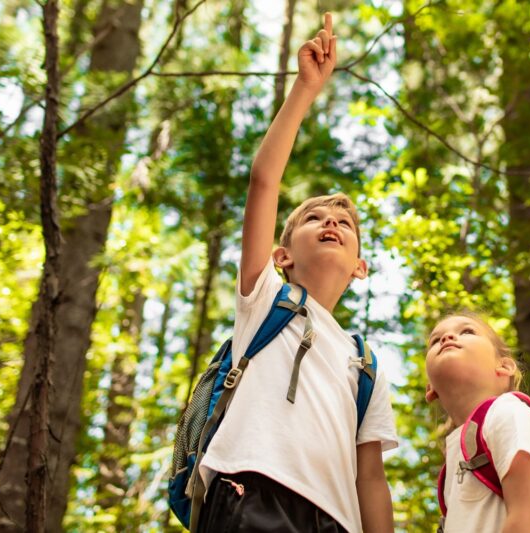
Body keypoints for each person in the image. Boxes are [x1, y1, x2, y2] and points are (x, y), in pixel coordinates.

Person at [195, 12, 398, 533]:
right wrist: (306, 90)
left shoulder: (365, 363)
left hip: (336, 521)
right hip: (251, 491)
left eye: (344, 224)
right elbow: (264, 181)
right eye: (313, 219)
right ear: (281, 255)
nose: (331, 221)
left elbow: (370, 479)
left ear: (360, 267)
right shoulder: (265, 300)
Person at [425, 313, 530, 533]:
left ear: (505, 367)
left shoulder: (507, 412)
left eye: (467, 332)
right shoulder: (455, 454)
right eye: (435, 340)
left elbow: (528, 515)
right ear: (430, 389)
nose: (447, 337)